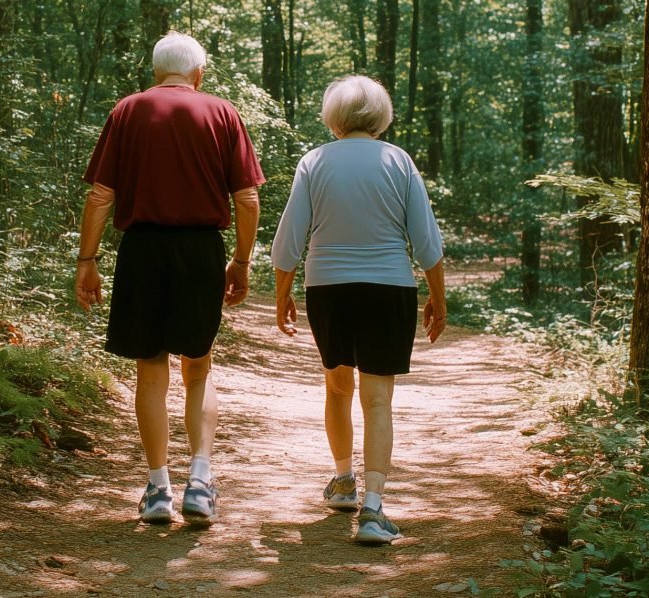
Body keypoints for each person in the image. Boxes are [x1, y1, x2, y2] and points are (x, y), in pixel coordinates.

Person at [74, 32, 264, 527]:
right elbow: (247, 200)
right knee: (198, 368)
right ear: (198, 73)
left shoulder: (128, 111)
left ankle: (158, 489)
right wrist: (241, 262)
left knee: (150, 369)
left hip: (143, 250)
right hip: (201, 249)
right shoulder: (223, 113)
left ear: (156, 72)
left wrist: (86, 260)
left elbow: (100, 196)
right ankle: (200, 482)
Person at [271, 75, 446, 545]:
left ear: (335, 116)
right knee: (378, 398)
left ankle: (343, 479)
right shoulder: (398, 161)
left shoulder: (314, 161)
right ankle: (373, 507)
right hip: (388, 287)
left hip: (328, 288)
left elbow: (290, 239)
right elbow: (426, 240)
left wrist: (281, 292)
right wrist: (438, 298)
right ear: (380, 114)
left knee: (336, 386)